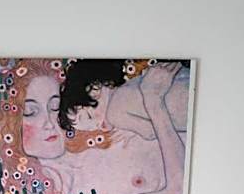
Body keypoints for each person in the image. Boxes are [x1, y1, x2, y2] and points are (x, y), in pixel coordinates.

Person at [0, 58, 186, 194]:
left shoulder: (98, 124)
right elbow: (178, 193)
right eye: (31, 112)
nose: (49, 122)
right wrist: (154, 103)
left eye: (55, 107)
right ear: (12, 127)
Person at [58, 58, 191, 142]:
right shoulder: (133, 84)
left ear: (95, 88)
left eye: (90, 117)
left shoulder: (114, 112)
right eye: (92, 129)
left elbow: (151, 132)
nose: (99, 125)